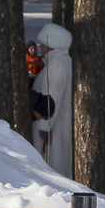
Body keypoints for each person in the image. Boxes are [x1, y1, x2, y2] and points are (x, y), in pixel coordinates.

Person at [29, 22, 72, 177]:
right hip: (54, 125)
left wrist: (44, 126)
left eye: (44, 43)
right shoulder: (59, 62)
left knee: (53, 165)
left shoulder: (57, 65)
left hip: (54, 128)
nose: (40, 47)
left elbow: (53, 97)